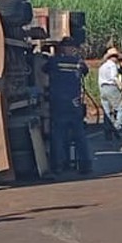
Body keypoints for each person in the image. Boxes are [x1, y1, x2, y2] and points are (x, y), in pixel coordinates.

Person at [47, 41, 93, 176]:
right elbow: (85, 72)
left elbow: (43, 69)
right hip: (74, 103)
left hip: (58, 102)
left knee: (58, 135)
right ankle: (85, 165)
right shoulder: (78, 62)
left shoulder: (53, 62)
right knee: (79, 135)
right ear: (72, 48)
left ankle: (58, 166)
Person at [97, 48, 122, 139]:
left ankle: (107, 132)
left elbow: (99, 80)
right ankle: (116, 127)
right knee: (121, 108)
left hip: (103, 88)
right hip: (111, 87)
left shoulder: (102, 66)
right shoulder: (112, 65)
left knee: (107, 112)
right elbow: (114, 77)